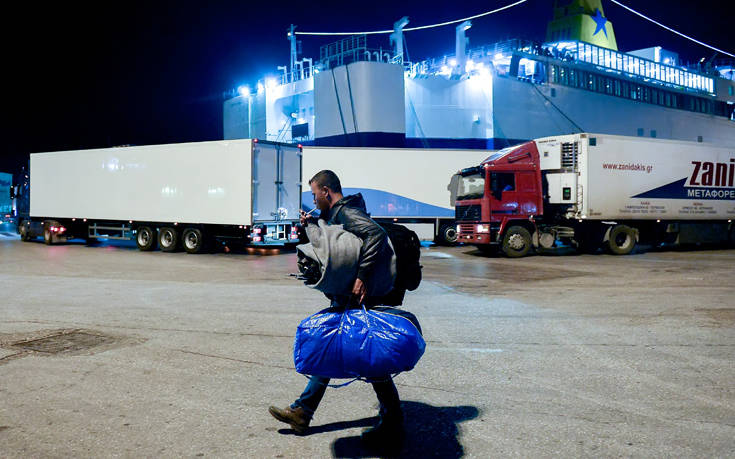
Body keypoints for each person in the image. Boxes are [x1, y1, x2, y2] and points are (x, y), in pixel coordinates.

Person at [268, 170, 403, 445]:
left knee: (369, 359)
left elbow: (375, 234)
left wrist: (361, 277)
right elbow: (339, 243)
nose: (314, 199)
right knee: (335, 349)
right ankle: (303, 411)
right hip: (349, 297)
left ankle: (392, 423)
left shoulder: (347, 212)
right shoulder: (338, 213)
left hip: (357, 296)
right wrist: (314, 222)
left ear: (327, 191)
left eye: (315, 193)